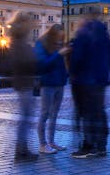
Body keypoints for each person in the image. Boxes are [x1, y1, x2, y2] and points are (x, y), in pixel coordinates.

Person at [69, 18, 110, 158]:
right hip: (100, 79)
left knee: (88, 114)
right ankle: (101, 146)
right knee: (99, 112)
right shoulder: (104, 35)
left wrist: (72, 73)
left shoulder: (83, 34)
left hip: (85, 79)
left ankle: (89, 145)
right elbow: (109, 58)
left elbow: (77, 58)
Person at [34, 24, 69, 155]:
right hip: (47, 83)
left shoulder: (59, 45)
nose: (60, 40)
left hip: (59, 83)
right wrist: (58, 54)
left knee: (54, 115)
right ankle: (42, 144)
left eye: (62, 38)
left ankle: (52, 142)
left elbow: (62, 64)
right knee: (45, 114)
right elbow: (43, 64)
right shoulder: (41, 44)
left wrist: (66, 75)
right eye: (58, 38)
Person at [9, 13, 38, 162]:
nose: (32, 26)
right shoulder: (20, 42)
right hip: (24, 83)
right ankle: (21, 152)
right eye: (29, 22)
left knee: (25, 119)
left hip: (24, 83)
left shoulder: (18, 41)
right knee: (25, 119)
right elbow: (24, 62)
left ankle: (22, 150)